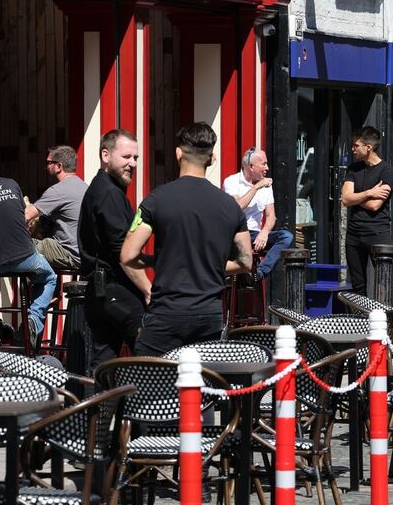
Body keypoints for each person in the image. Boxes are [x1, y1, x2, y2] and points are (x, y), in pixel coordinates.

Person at [122, 123, 252, 356]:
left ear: (178, 153)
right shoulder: (230, 207)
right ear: (212, 159)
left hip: (166, 313)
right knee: (201, 385)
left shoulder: (156, 200)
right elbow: (245, 262)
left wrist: (155, 261)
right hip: (209, 315)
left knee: (149, 383)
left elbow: (128, 255)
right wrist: (209, 265)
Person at [0, 150, 57, 348]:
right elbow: (22, 216)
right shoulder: (11, 183)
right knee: (49, 277)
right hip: (25, 257)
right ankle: (33, 321)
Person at [78, 129, 145, 370]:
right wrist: (148, 290)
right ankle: (152, 408)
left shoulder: (103, 188)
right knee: (151, 358)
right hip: (118, 291)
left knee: (104, 365)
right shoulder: (108, 194)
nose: (132, 163)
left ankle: (100, 408)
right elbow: (123, 252)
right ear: (106, 155)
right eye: (126, 157)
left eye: (135, 158)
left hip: (101, 293)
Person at [223, 147, 293, 281]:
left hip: (255, 235)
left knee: (286, 236)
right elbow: (237, 206)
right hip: (235, 233)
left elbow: (270, 215)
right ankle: (237, 274)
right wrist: (256, 187)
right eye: (263, 164)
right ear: (251, 166)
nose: (267, 168)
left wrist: (265, 232)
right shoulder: (231, 182)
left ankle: (259, 273)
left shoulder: (266, 185)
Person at [340, 126, 393, 295]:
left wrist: (355, 197)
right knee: (357, 284)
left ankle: (382, 319)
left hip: (378, 233)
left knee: (382, 283)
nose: (352, 149)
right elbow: (345, 199)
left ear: (369, 147)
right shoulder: (353, 169)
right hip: (354, 234)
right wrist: (369, 193)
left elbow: (375, 206)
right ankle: (361, 319)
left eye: (356, 145)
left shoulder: (387, 171)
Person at [24, 145, 87, 270]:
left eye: (48, 163)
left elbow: (26, 215)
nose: (46, 167)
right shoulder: (84, 186)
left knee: (20, 244)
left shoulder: (58, 191)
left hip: (69, 253)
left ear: (59, 166)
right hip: (84, 254)